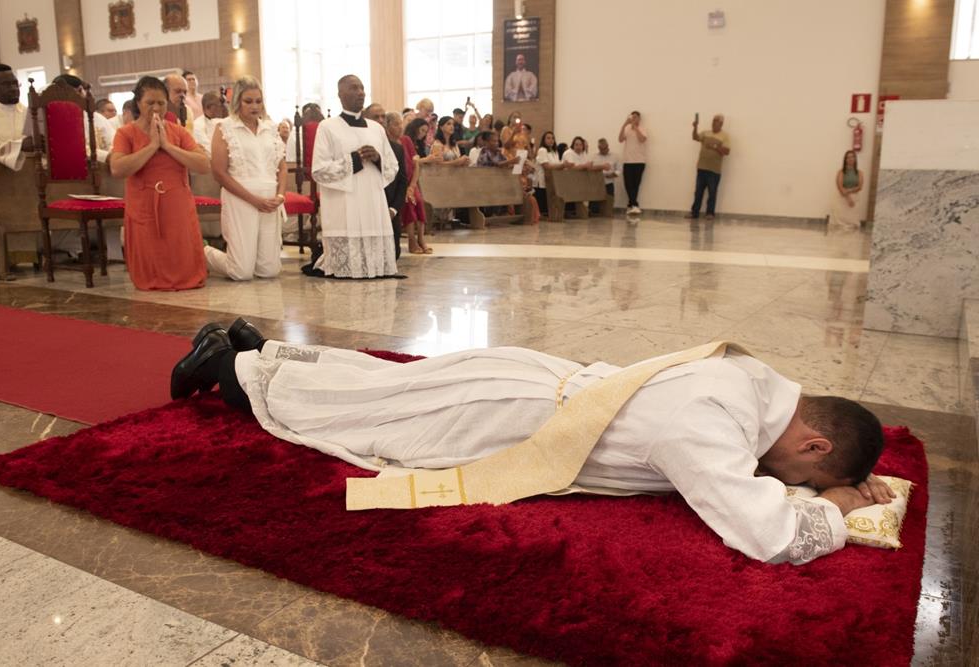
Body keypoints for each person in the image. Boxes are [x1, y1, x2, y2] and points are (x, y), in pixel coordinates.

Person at [171, 320, 896, 566]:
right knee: (369, 422)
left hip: (533, 377)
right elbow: (767, 535)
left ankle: (260, 348)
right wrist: (833, 508)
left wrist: (816, 486)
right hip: (510, 415)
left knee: (391, 386)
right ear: (813, 445)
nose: (791, 482)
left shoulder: (752, 376)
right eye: (805, 476)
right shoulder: (711, 422)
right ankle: (229, 369)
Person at [109, 76, 209, 290]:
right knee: (151, 266)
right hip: (144, 204)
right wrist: (152, 146)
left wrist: (168, 146)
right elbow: (117, 168)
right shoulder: (125, 133)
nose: (156, 108)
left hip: (176, 204)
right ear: (138, 103)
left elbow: (203, 165)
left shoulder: (178, 131)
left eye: (161, 103)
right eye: (150, 103)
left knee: (184, 266)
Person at [309, 74, 399, 279]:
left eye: (362, 88)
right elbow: (319, 169)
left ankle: (375, 266)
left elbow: (393, 166)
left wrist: (377, 158)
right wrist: (354, 160)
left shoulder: (377, 128)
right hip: (344, 200)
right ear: (340, 94)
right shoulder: (328, 126)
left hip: (371, 197)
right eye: (353, 88)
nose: (360, 93)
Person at [203, 77, 286, 282]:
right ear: (237, 102)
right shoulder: (224, 127)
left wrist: (280, 196)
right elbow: (219, 173)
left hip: (270, 202)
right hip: (240, 199)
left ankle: (251, 258)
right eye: (248, 101)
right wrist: (254, 200)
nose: (254, 106)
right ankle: (203, 252)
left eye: (258, 101)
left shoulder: (270, 128)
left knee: (269, 271)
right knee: (241, 272)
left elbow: (281, 165)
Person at [364, 104, 408, 260]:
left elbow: (402, 182)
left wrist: (393, 209)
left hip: (389, 208)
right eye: (376, 117)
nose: (381, 120)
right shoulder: (360, 147)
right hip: (366, 208)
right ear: (365, 119)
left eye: (383, 116)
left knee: (393, 254)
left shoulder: (397, 149)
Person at [688, 114, 731, 219]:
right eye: (713, 121)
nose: (713, 123)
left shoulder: (725, 136)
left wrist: (714, 146)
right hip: (701, 167)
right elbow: (695, 137)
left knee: (712, 192)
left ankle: (710, 213)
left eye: (716, 121)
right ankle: (694, 213)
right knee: (698, 192)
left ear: (721, 124)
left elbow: (727, 151)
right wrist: (695, 127)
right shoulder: (706, 133)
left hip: (714, 170)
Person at [400, 117, 433, 254]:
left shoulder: (411, 142)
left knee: (419, 202)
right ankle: (411, 240)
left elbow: (416, 165)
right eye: (422, 130)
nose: (424, 134)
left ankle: (421, 239)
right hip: (401, 182)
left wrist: (412, 186)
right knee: (409, 203)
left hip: (412, 181)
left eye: (426, 131)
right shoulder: (404, 139)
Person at [618, 111, 647, 214]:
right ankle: (634, 205)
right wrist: (625, 124)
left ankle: (631, 205)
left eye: (635, 117)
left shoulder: (642, 129)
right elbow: (620, 139)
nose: (633, 119)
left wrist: (636, 128)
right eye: (632, 117)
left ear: (639, 119)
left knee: (635, 184)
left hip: (639, 161)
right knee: (628, 184)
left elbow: (642, 139)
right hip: (627, 161)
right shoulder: (627, 129)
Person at [829, 150, 863, 231]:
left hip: (855, 198)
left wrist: (849, 191)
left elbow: (860, 187)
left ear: (855, 159)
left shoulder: (859, 172)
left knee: (853, 224)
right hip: (842, 197)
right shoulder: (841, 172)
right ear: (845, 160)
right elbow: (840, 186)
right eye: (848, 157)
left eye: (852, 157)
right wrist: (848, 198)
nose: (850, 159)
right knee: (839, 225)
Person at [533, 131, 563, 214]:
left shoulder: (555, 152)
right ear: (544, 140)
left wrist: (562, 166)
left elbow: (556, 165)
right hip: (542, 179)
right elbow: (546, 166)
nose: (551, 140)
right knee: (543, 202)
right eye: (548, 138)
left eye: (553, 138)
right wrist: (562, 165)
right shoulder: (542, 150)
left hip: (552, 180)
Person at [192, 91, 227, 156]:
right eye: (220, 105)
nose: (224, 108)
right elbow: (209, 151)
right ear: (208, 108)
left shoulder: (225, 122)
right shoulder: (198, 125)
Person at [592, 138, 621, 215]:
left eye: (605, 148)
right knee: (595, 208)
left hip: (609, 183)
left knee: (608, 208)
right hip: (596, 183)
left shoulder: (615, 156)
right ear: (598, 148)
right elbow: (590, 168)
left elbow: (619, 170)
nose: (603, 150)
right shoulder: (594, 156)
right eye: (601, 149)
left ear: (608, 146)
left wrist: (612, 175)